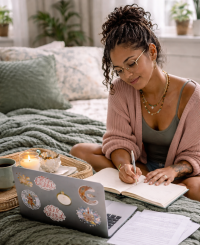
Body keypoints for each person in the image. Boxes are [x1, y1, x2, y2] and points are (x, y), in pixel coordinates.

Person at [70, 4, 200, 202]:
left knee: (196, 187)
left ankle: (164, 185)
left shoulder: (192, 95)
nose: (127, 75)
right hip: (142, 166)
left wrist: (173, 170)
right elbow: (118, 139)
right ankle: (153, 184)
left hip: (181, 173)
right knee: (79, 150)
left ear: (152, 52)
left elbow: (196, 154)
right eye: (119, 70)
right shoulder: (120, 89)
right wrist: (123, 167)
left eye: (131, 63)